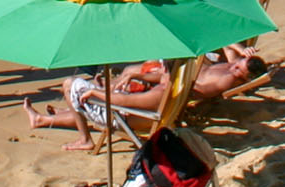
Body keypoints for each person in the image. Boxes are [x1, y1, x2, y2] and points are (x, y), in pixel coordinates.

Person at [21, 50, 267, 149]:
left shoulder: (163, 92)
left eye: (239, 72)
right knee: (103, 90)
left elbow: (126, 105)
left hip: (128, 118)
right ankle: (46, 119)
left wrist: (99, 93)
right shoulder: (170, 87)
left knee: (71, 86)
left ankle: (80, 136)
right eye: (238, 65)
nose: (234, 68)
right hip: (135, 113)